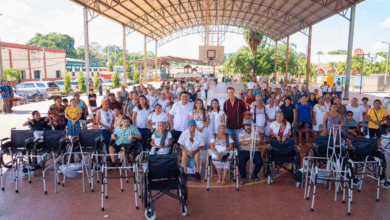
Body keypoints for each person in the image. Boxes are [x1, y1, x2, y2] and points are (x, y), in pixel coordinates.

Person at [238, 120, 262, 185]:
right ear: (244, 126)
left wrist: (254, 144)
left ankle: (255, 174)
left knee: (259, 162)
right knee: (241, 161)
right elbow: (241, 142)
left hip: (254, 150)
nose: (248, 127)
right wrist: (249, 142)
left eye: (249, 126)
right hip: (244, 151)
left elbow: (259, 142)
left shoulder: (256, 132)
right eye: (246, 126)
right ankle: (243, 178)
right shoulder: (241, 133)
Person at [223, 87, 247, 152]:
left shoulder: (240, 102)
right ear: (227, 94)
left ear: (234, 93)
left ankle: (240, 158)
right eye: (228, 93)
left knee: (239, 143)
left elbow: (245, 112)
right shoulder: (226, 103)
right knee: (229, 144)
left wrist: (241, 119)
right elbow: (225, 113)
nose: (230, 94)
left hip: (238, 127)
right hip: (229, 127)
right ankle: (230, 158)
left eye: (231, 93)